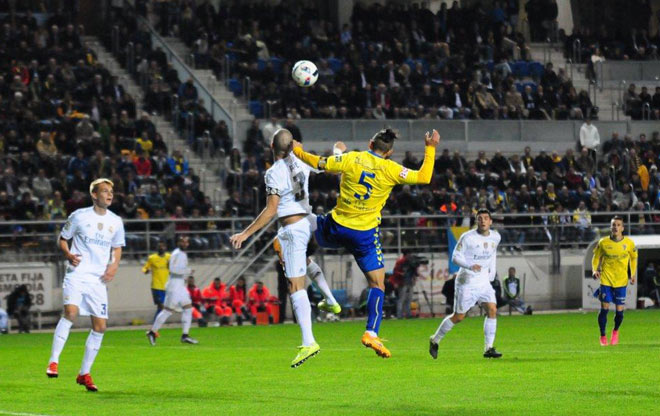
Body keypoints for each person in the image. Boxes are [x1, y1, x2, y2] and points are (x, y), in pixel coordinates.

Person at [292, 127, 440, 358]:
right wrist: (430, 148)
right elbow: (424, 176)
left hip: (337, 225)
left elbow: (320, 163)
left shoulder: (353, 158)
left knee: (303, 224)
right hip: (364, 235)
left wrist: (297, 151)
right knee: (377, 284)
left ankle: (291, 247)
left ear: (370, 144)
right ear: (389, 153)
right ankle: (371, 332)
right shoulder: (392, 169)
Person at [230, 128, 339, 367]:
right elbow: (328, 165)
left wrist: (245, 233)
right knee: (304, 264)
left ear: (271, 146)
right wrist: (338, 151)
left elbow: (271, 210)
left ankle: (309, 342)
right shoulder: (302, 159)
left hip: (292, 229)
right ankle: (330, 299)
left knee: (294, 285)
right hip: (308, 222)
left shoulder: (274, 172)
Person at [46, 178, 125, 392]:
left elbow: (117, 247)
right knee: (70, 313)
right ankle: (53, 361)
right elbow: (63, 239)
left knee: (100, 327)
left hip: (98, 280)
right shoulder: (79, 216)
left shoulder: (116, 221)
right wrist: (68, 253)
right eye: (104, 191)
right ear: (94, 195)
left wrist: (114, 265)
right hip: (78, 273)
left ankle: (84, 373)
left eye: (111, 191)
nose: (109, 195)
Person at [429, 209, 503, 359]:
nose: (483, 221)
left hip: (483, 281)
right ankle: (435, 340)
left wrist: (492, 273)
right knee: (459, 317)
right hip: (467, 281)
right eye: (480, 218)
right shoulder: (468, 237)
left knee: (492, 310)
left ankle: (488, 348)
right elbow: (455, 257)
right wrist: (470, 266)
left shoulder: (496, 237)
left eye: (486, 218)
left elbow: (492, 253)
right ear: (476, 221)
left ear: (490, 222)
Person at [592, 216, 638, 346]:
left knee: (619, 313)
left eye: (618, 225)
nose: (615, 227)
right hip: (606, 279)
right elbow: (596, 258)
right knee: (604, 308)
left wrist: (632, 273)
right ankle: (602, 335)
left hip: (621, 281)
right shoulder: (603, 242)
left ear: (622, 228)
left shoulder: (629, 243)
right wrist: (595, 270)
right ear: (611, 227)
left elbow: (633, 258)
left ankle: (615, 331)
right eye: (613, 225)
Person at [147, 236, 199, 346]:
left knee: (188, 308)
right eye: (182, 241)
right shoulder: (176, 254)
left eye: (186, 241)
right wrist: (188, 271)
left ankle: (185, 335)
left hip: (180, 285)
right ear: (178, 243)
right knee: (168, 311)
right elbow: (172, 269)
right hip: (174, 285)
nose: (185, 243)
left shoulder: (183, 254)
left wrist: (185, 274)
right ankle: (152, 332)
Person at [141, 241, 171, 322]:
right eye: (159, 247)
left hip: (166, 286)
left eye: (163, 246)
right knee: (161, 306)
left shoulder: (169, 257)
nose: (161, 248)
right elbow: (145, 268)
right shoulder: (152, 258)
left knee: (162, 307)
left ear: (165, 248)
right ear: (157, 248)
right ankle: (155, 324)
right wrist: (145, 271)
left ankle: (156, 325)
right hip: (156, 286)